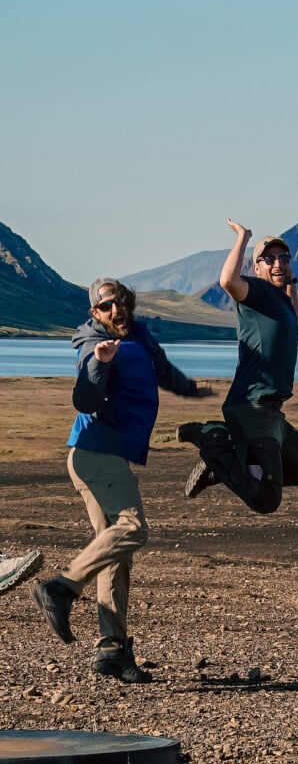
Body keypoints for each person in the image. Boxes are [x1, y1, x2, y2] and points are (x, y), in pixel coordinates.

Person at [30, 278, 211, 683]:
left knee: (115, 549)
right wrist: (100, 362)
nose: (117, 310)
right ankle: (61, 589)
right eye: (107, 305)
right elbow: (85, 398)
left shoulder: (138, 335)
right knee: (133, 528)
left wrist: (191, 390)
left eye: (122, 302)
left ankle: (111, 649)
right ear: (95, 313)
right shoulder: (92, 344)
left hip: (107, 454)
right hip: (96, 454)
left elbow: (162, 369)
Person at [177, 219, 298, 514]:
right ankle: (211, 439)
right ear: (256, 268)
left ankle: (222, 466)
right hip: (252, 408)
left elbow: (294, 317)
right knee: (265, 500)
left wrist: (292, 280)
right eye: (269, 260)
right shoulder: (256, 292)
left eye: (283, 259)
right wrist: (243, 237)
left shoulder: (281, 302)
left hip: (272, 412)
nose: (278, 264)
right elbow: (228, 281)